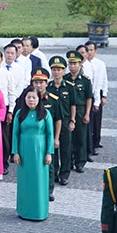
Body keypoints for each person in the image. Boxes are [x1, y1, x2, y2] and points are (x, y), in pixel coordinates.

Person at [12, 88, 54, 221]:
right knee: (25, 182)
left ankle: (39, 211)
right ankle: (24, 210)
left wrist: (49, 153)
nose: (31, 100)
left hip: (40, 153)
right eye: (29, 97)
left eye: (34, 97)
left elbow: (50, 134)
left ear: (39, 99)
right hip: (24, 151)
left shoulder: (45, 114)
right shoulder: (19, 114)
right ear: (24, 99)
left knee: (39, 182)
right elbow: (15, 134)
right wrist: (15, 152)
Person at [47, 57, 74, 188]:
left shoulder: (68, 87)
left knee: (66, 149)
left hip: (66, 121)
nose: (56, 72)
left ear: (64, 71)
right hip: (52, 122)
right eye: (54, 69)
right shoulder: (48, 87)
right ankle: (55, 173)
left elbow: (73, 105)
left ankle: (64, 174)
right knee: (54, 148)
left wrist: (73, 121)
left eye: (59, 69)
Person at [64, 51, 93, 173]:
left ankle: (80, 162)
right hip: (67, 111)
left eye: (75, 63)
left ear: (80, 64)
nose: (72, 66)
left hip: (81, 111)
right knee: (68, 138)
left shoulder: (85, 81)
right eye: (70, 63)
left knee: (80, 137)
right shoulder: (65, 79)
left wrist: (87, 113)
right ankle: (68, 161)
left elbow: (89, 98)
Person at [0, 49, 17, 175]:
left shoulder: (7, 74)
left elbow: (12, 94)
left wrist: (10, 111)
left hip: (4, 108)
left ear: (1, 59)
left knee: (5, 138)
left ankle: (4, 162)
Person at [86, 41, 108, 155]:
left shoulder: (100, 64)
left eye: (91, 50)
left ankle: (96, 141)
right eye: (87, 50)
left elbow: (104, 80)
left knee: (97, 119)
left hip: (97, 91)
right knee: (89, 120)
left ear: (95, 51)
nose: (89, 53)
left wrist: (104, 94)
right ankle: (90, 144)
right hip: (87, 93)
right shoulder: (83, 65)